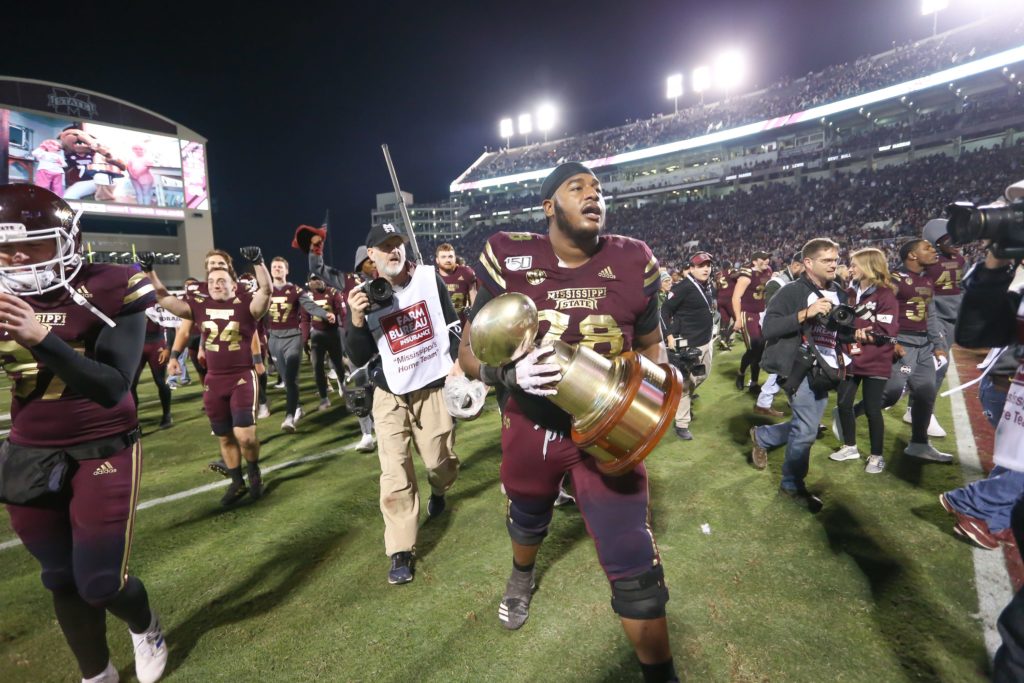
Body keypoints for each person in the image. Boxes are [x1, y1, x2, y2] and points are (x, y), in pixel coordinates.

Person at [460, 162, 680, 683]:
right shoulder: (510, 255)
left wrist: (662, 387)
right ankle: (521, 574)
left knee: (633, 555)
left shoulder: (633, 258)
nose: (592, 194)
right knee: (528, 511)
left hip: (607, 429)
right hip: (533, 422)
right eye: (577, 186)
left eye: (598, 188)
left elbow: (652, 346)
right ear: (549, 206)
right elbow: (469, 351)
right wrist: (505, 373)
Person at [0, 184, 167, 683]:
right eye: (6, 247)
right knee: (59, 577)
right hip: (30, 448)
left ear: (67, 240)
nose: (16, 257)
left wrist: (41, 337)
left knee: (99, 581)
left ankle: (146, 626)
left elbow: (114, 387)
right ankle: (96, 674)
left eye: (31, 243)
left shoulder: (113, 284)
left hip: (103, 446)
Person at [345, 223, 461, 585]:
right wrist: (356, 320)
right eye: (385, 246)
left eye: (398, 244)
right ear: (372, 257)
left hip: (432, 385)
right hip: (389, 391)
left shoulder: (428, 277)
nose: (394, 250)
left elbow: (453, 323)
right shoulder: (364, 295)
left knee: (440, 462)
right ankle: (400, 549)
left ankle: (439, 488)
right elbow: (358, 356)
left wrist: (459, 366)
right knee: (394, 472)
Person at [144, 248, 272, 505]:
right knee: (224, 435)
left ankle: (253, 470)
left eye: (222, 280)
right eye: (212, 280)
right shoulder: (199, 304)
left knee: (245, 436)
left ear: (234, 285)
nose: (216, 284)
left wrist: (259, 262)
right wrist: (149, 271)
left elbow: (266, 290)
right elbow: (163, 297)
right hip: (213, 379)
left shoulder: (246, 303)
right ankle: (237, 481)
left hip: (241, 377)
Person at [751, 238, 849, 513]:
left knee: (808, 426)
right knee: (806, 430)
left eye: (835, 259)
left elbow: (840, 332)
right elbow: (769, 328)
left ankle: (763, 436)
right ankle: (791, 485)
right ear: (808, 263)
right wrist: (806, 313)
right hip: (798, 366)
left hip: (826, 368)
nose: (834, 265)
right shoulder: (791, 291)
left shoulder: (840, 292)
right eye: (826, 260)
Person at [862, 238, 952, 463]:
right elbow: (875, 311)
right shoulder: (894, 279)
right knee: (890, 394)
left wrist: (938, 345)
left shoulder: (927, 279)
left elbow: (930, 315)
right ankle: (848, 414)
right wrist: (890, 341)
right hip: (902, 343)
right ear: (912, 255)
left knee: (926, 394)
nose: (934, 251)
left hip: (924, 346)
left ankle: (919, 444)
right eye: (927, 248)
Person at [830, 248, 899, 473]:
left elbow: (887, 333)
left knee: (871, 408)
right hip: (850, 357)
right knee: (843, 404)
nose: (850, 269)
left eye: (854, 265)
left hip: (875, 360)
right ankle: (850, 447)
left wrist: (867, 334)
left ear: (869, 266)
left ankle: (877, 456)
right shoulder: (848, 292)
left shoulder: (885, 295)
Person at [306, 241, 378, 452]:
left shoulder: (386, 278)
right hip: (357, 342)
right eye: (369, 261)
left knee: (385, 388)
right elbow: (317, 268)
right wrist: (315, 249)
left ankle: (385, 425)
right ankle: (366, 433)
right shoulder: (347, 280)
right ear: (360, 263)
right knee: (360, 390)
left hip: (384, 341)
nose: (374, 263)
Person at [267, 257, 334, 432]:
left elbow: (310, 306)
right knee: (285, 379)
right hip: (273, 339)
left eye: (280, 267)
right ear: (270, 270)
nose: (277, 269)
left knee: (290, 378)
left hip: (292, 338)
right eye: (274, 267)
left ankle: (289, 418)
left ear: (287, 270)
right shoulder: (265, 291)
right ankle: (297, 407)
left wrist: (325, 314)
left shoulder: (295, 290)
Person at [916, 218, 965, 438]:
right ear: (936, 241)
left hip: (953, 317)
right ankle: (924, 413)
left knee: (934, 365)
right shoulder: (927, 263)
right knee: (938, 365)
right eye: (950, 239)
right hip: (936, 317)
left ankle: (914, 409)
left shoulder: (960, 259)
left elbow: (962, 287)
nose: (957, 242)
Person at [662, 251, 716, 441]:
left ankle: (677, 395)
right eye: (701, 266)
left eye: (708, 265)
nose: (706, 269)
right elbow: (664, 310)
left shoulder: (707, 285)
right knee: (686, 384)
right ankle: (681, 424)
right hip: (689, 343)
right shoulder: (683, 287)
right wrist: (669, 335)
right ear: (691, 269)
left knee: (702, 375)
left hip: (706, 340)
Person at [753, 251, 804, 417]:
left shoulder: (795, 281)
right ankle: (766, 402)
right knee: (783, 367)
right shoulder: (777, 282)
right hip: (780, 330)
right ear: (796, 265)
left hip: (792, 328)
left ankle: (767, 402)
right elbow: (772, 311)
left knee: (788, 368)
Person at [304, 273, 345, 411]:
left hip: (332, 333)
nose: (316, 281)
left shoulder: (333, 292)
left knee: (338, 364)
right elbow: (305, 319)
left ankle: (342, 386)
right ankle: (324, 397)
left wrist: (345, 330)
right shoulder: (308, 297)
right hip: (317, 335)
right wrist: (305, 339)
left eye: (318, 278)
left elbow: (342, 313)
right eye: (313, 279)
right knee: (317, 367)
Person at [732, 251, 772, 392]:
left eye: (768, 258)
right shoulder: (747, 275)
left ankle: (754, 383)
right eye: (763, 258)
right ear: (754, 261)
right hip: (748, 313)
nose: (767, 261)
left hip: (762, 314)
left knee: (760, 350)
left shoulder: (768, 271)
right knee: (753, 347)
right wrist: (738, 319)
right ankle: (741, 373)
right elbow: (736, 297)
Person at [131, 302, 175, 430]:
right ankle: (133, 420)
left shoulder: (159, 301)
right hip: (136, 345)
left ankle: (167, 415)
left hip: (156, 344)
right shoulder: (131, 299)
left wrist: (168, 348)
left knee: (160, 381)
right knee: (130, 384)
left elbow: (170, 326)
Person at [435, 242, 477, 327]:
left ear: (455, 258)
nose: (447, 260)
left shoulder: (466, 273)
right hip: (441, 327)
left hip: (463, 325)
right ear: (437, 260)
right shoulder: (432, 277)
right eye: (443, 257)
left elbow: (475, 302)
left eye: (450, 256)